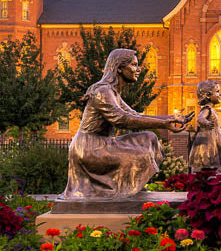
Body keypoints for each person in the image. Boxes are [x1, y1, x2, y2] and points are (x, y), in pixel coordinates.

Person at [60, 49, 188, 199]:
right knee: (141, 155)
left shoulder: (113, 92)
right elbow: (122, 120)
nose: (138, 69)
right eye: (134, 65)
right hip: (89, 148)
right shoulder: (102, 91)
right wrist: (165, 123)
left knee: (150, 138)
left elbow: (135, 115)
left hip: (103, 143)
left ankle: (130, 189)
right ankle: (123, 193)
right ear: (119, 68)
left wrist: (170, 118)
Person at [188, 80, 221, 170]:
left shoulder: (212, 109)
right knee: (208, 163)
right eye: (217, 92)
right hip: (208, 140)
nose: (220, 94)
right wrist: (207, 123)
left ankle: (211, 178)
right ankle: (207, 179)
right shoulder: (207, 109)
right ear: (208, 95)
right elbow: (200, 118)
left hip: (214, 138)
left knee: (213, 165)